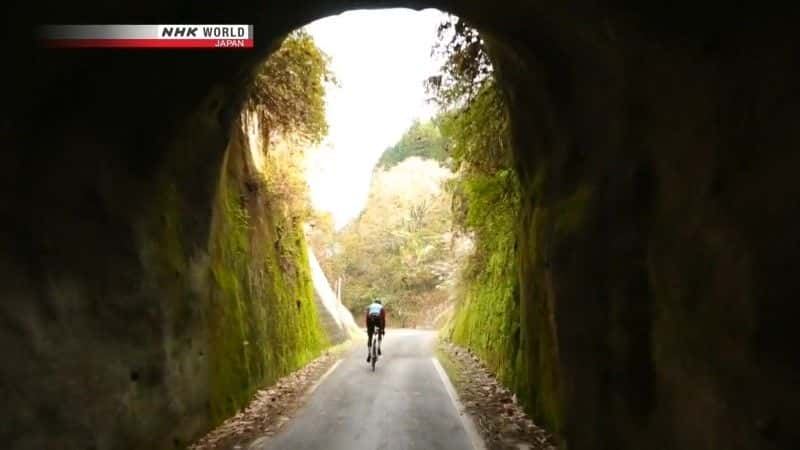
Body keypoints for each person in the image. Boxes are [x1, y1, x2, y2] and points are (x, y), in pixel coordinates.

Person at [365, 298, 385, 362]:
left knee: (370, 337)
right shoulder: (381, 307)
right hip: (378, 319)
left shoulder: (370, 306)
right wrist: (382, 329)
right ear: (380, 303)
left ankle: (369, 354)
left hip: (370, 319)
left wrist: (368, 328)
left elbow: (367, 318)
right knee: (379, 333)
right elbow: (383, 319)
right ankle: (378, 348)